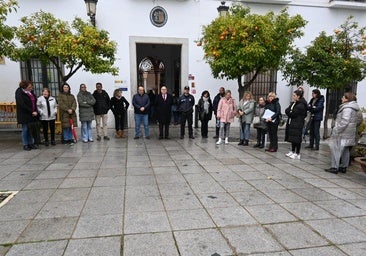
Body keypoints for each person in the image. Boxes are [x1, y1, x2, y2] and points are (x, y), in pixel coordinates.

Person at [325, 92, 362, 174]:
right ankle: (343, 167)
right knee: (345, 150)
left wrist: (336, 130)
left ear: (347, 99)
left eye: (343, 97)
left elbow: (344, 122)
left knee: (336, 150)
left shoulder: (347, 108)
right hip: (348, 133)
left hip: (342, 133)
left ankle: (335, 167)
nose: (341, 99)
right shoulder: (352, 108)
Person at [15, 80, 39, 150]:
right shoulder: (19, 92)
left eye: (31, 86)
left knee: (30, 129)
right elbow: (22, 104)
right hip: (24, 114)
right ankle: (25, 144)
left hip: (32, 114)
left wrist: (36, 111)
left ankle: (31, 143)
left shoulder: (30, 92)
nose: (31, 88)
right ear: (25, 86)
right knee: (25, 129)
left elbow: (35, 101)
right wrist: (31, 111)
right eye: (29, 87)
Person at [285, 90, 308, 160]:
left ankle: (297, 153)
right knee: (293, 138)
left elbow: (293, 114)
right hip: (293, 123)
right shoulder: (294, 103)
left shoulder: (301, 105)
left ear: (298, 96)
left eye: (294, 95)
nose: (293, 97)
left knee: (297, 139)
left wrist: (290, 112)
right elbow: (287, 110)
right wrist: (289, 111)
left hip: (298, 123)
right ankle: (292, 151)